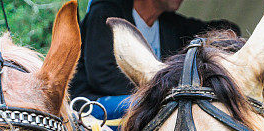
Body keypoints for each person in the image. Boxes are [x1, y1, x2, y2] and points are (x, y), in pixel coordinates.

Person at [69, 0, 237, 118]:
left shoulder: (168, 22)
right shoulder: (106, 11)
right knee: (166, 108)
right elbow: (102, 77)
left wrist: (227, 35)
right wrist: (157, 93)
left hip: (151, 99)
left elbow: (221, 28)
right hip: (95, 103)